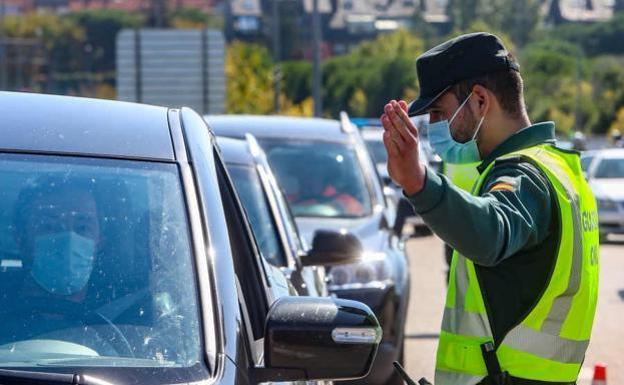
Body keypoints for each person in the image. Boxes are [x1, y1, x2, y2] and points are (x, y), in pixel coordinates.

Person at [381, 32, 599, 385]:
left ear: (480, 100)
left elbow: (491, 232)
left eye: (439, 111)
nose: (434, 126)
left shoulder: (524, 175)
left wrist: (417, 181)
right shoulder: (558, 169)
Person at [3, 177, 102, 345]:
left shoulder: (130, 314)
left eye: (82, 228)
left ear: (100, 241)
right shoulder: (3, 303)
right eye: (49, 226)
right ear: (20, 239)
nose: (69, 239)